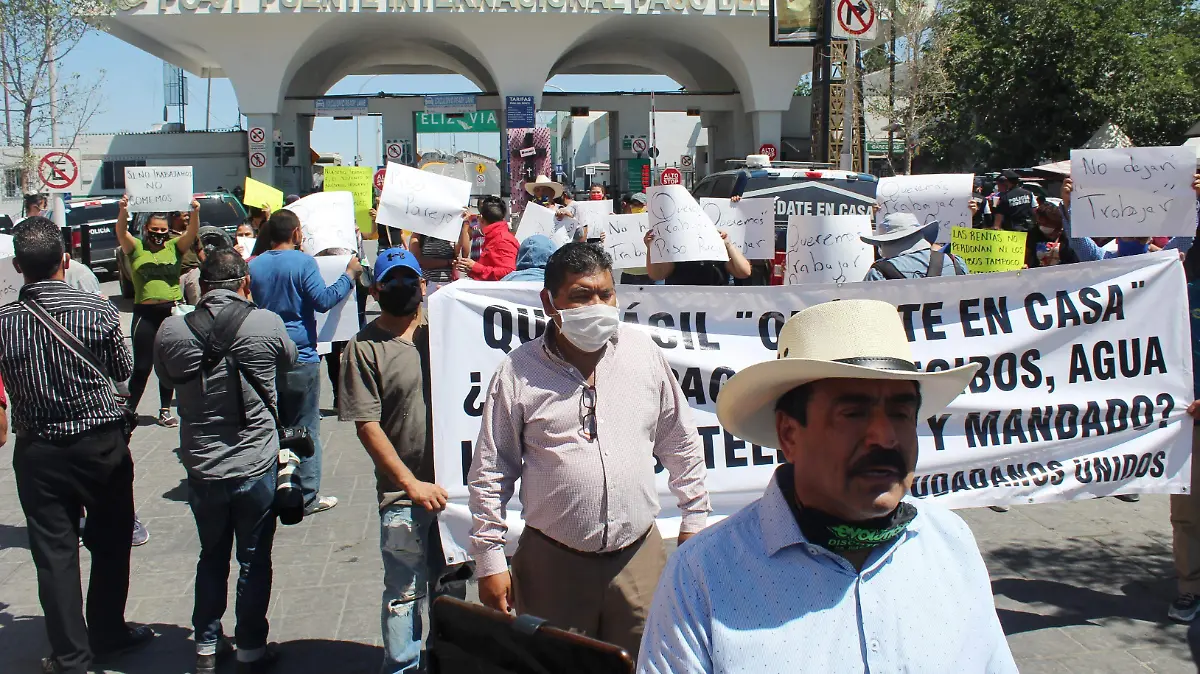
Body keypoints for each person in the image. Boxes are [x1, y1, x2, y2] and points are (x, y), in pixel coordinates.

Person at [639, 299, 1016, 673]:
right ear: (789, 434)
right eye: (852, 414)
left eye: (901, 413)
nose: (884, 438)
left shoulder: (950, 543)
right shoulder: (703, 576)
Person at [468, 242, 711, 656]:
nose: (597, 305)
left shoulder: (642, 354)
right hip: (553, 566)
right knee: (559, 667)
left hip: (639, 559)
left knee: (650, 661)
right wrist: (489, 559)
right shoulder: (518, 372)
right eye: (581, 295)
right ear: (550, 303)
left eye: (606, 294)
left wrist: (695, 517)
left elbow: (680, 438)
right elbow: (492, 469)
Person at [0, 216, 154, 674]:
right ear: (66, 261)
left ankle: (70, 655)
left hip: (38, 452)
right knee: (110, 542)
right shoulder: (99, 309)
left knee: (54, 555)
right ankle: (107, 631)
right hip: (100, 446)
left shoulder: (4, 322)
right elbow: (122, 367)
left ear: (17, 266)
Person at [155, 249, 295, 673]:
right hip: (254, 461)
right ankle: (251, 645)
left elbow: (164, 379)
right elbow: (288, 361)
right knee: (254, 557)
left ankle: (206, 643)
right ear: (244, 282)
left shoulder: (171, 331)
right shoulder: (266, 323)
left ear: (201, 284)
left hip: (201, 464)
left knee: (210, 554)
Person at [339, 247, 465, 673]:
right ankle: (401, 667)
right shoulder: (363, 348)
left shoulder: (447, 331)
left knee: (452, 589)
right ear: (376, 290)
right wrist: (410, 484)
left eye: (410, 281)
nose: (403, 289)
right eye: (392, 281)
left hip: (454, 492)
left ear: (424, 286)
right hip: (402, 494)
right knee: (404, 592)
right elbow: (367, 426)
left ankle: (446, 662)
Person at [249, 210, 361, 516]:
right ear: (297, 233)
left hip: (263, 357)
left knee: (271, 426)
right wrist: (349, 275)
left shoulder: (254, 265)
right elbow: (324, 300)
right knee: (306, 427)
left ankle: (268, 489)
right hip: (301, 356)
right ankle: (307, 496)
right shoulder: (303, 262)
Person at [115, 196, 200, 428]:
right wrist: (123, 211)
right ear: (146, 229)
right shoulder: (137, 248)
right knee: (143, 366)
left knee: (168, 363)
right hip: (145, 312)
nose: (159, 234)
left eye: (163, 230)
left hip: (170, 311)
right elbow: (121, 232)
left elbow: (191, 235)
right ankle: (129, 410)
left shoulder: (174, 247)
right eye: (154, 229)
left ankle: (164, 410)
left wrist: (194, 212)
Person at [862, 213, 967, 280]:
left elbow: (866, 311)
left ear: (885, 242)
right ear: (920, 234)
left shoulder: (879, 273)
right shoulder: (955, 261)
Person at [643, 228, 753, 286]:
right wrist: (651, 249)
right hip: (682, 309)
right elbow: (657, 275)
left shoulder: (717, 249)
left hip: (717, 310)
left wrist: (728, 244)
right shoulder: (676, 249)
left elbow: (744, 272)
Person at [453, 196, 518, 281]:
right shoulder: (493, 237)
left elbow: (508, 273)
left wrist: (475, 267)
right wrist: (469, 268)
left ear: (482, 219)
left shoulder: (503, 240)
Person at [1024, 201, 1079, 268]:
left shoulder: (1068, 236)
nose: (1041, 226)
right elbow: (1027, 255)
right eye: (1039, 223)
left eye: (1045, 224)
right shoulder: (1034, 233)